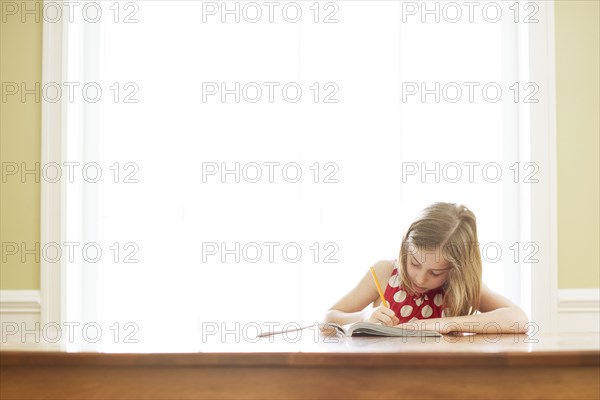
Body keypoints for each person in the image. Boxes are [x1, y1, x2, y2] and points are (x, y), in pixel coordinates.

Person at [323, 202, 529, 334]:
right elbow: (328, 320)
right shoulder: (385, 272)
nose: (420, 279)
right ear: (405, 249)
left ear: (455, 270)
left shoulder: (458, 287)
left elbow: (519, 320)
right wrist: (362, 318)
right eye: (414, 263)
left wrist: (444, 324)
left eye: (435, 272)